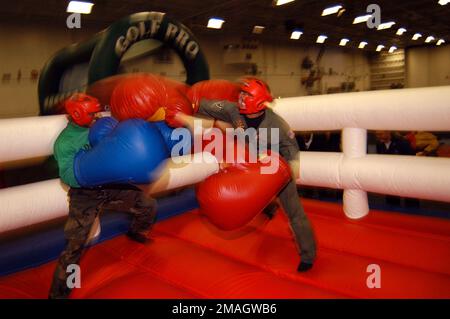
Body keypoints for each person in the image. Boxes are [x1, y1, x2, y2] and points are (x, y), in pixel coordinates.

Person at [192, 78, 317, 272]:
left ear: (258, 100)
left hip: (275, 170)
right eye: (241, 93)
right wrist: (187, 102)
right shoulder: (234, 111)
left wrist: (288, 174)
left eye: (247, 94)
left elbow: (292, 150)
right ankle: (269, 205)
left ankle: (308, 255)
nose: (241, 97)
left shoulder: (276, 123)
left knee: (295, 213)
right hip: (251, 167)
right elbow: (205, 106)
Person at [49, 93, 157, 299]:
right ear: (77, 114)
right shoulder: (65, 143)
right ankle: (60, 293)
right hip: (84, 195)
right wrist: (92, 165)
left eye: (97, 112)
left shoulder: (103, 127)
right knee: (75, 246)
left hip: (110, 186)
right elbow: (68, 176)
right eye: (92, 114)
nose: (96, 116)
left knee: (147, 204)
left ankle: (137, 232)